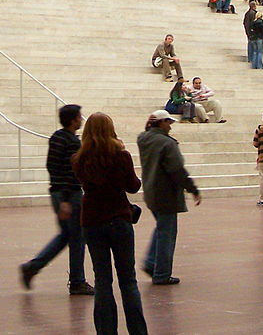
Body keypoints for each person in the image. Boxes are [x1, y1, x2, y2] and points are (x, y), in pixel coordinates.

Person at [71, 113, 148, 335]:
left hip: (92, 221)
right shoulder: (120, 156)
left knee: (102, 280)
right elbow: (133, 186)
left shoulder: (78, 159)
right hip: (118, 218)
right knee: (128, 280)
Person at [20, 104, 94, 296]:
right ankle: (77, 281)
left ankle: (33, 267)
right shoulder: (70, 142)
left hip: (60, 192)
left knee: (68, 236)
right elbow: (69, 171)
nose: (81, 119)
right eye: (78, 116)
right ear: (72, 120)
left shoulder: (58, 138)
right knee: (76, 237)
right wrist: (66, 199)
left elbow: (52, 166)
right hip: (69, 194)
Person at [137, 110, 201, 285]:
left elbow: (144, 132)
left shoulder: (144, 139)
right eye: (167, 122)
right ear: (160, 123)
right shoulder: (167, 143)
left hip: (151, 192)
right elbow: (177, 170)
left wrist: (148, 125)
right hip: (166, 194)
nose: (170, 126)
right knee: (167, 234)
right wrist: (192, 189)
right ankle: (162, 273)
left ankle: (152, 263)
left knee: (161, 229)